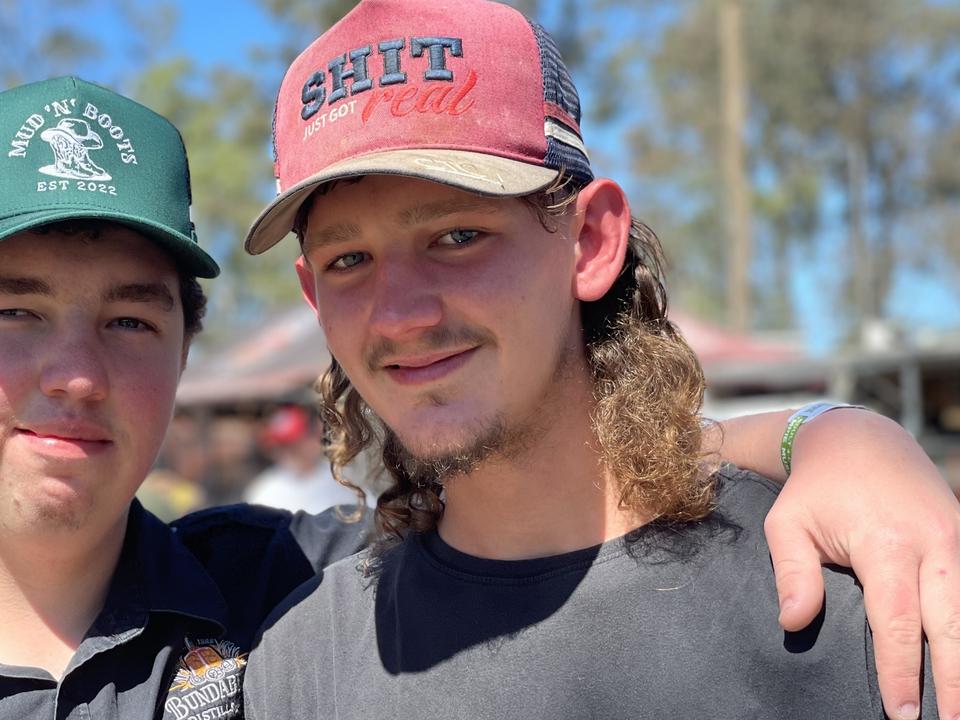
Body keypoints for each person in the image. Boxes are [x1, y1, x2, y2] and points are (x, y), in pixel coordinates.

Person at [0, 74, 952, 720]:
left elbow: (549, 485)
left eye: (131, 319)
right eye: (10, 312)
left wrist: (830, 435)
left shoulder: (287, 597)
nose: (74, 373)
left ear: (185, 348)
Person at [241, 2, 954, 719]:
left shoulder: (862, 592)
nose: (398, 313)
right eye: (349, 259)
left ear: (590, 244)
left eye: (458, 236)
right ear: (312, 295)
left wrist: (841, 431)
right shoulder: (299, 666)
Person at [245, 404, 362, 513]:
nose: (293, 452)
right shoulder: (265, 490)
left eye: (298, 443)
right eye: (285, 446)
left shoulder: (344, 476)